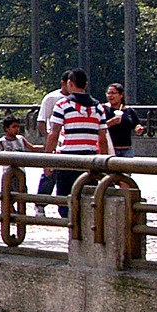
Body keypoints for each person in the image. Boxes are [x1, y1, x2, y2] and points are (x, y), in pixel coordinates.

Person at [42, 69, 110, 216]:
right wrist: (103, 162)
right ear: (86, 85)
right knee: (87, 199)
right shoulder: (98, 108)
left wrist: (48, 160)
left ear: (69, 84)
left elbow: (54, 134)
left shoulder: (63, 105)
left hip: (68, 159)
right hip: (91, 160)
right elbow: (102, 139)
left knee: (65, 201)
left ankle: (72, 232)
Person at [103, 83, 143, 156]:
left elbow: (136, 124)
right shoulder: (103, 109)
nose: (110, 95)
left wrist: (139, 128)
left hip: (127, 150)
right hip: (110, 149)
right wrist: (111, 122)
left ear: (121, 95)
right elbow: (99, 127)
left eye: (113, 93)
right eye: (108, 93)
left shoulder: (129, 111)